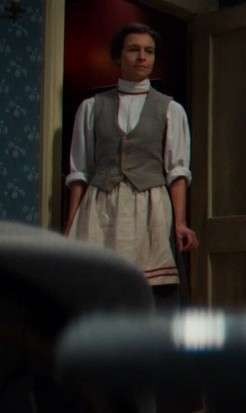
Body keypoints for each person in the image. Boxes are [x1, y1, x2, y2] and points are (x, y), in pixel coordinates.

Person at [63, 23, 198, 312]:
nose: (142, 57)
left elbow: (177, 172)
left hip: (150, 208)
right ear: (118, 56)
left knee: (151, 294)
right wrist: (71, 224)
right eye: (133, 50)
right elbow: (80, 172)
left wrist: (180, 222)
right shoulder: (91, 107)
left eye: (149, 51)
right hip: (101, 210)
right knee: (99, 293)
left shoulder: (170, 109)